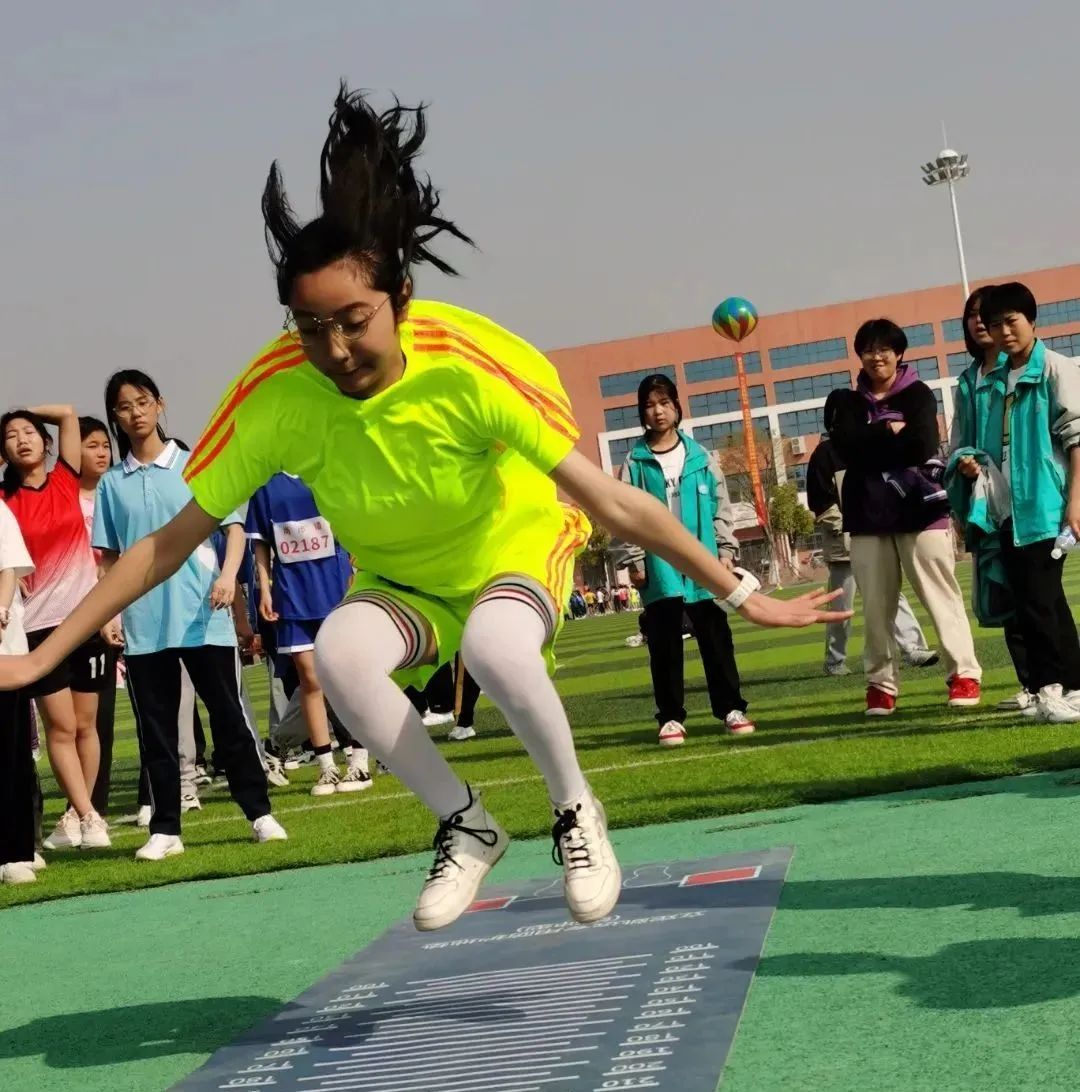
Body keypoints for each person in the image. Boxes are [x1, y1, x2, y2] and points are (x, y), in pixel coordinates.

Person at [0, 85, 846, 931]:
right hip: (405, 575)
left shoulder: (468, 365)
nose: (333, 349)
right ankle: (466, 823)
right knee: (338, 651)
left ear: (400, 299)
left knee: (496, 644)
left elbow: (614, 503)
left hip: (512, 545)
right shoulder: (275, 398)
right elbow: (163, 546)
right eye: (309, 326)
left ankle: (576, 811)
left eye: (354, 321)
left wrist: (742, 592)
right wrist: (41, 663)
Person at [93, 369, 286, 860]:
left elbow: (235, 528)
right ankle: (166, 829)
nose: (134, 413)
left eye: (141, 402)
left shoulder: (197, 463)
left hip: (203, 613)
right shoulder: (113, 484)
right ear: (115, 416)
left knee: (227, 717)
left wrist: (228, 577)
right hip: (143, 624)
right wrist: (108, 613)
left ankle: (259, 813)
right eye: (123, 407)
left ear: (160, 404)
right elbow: (109, 559)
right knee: (155, 729)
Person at [827, 319, 981, 716]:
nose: (876, 356)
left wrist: (875, 440)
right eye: (868, 349)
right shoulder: (845, 401)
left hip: (921, 510)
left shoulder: (918, 394)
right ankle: (881, 685)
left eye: (884, 349)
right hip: (866, 516)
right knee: (876, 607)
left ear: (899, 354)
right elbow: (846, 450)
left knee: (940, 597)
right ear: (859, 355)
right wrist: (888, 432)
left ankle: (963, 674)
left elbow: (921, 446)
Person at [951, 283, 1080, 723]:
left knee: (1038, 600)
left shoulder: (1056, 369)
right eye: (995, 323)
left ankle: (1049, 689)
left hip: (1046, 505)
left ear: (1031, 320)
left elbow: (1076, 441)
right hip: (1006, 508)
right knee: (1039, 599)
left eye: (1012, 321)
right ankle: (1071, 686)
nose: (1004, 331)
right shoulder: (994, 379)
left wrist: (1075, 505)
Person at [616, 375, 754, 744]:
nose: (657, 411)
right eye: (649, 404)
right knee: (663, 643)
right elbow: (623, 512)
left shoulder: (700, 457)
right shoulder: (635, 462)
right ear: (641, 412)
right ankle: (671, 718)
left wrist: (726, 551)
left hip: (703, 561)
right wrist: (635, 558)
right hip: (660, 562)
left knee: (716, 637)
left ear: (677, 406)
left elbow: (719, 508)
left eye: (664, 402)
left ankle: (731, 708)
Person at [1, 407, 111, 850]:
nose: (22, 439)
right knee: (61, 728)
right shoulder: (4, 501)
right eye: (11, 436)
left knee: (88, 727)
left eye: (29, 432)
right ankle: (87, 815)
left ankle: (78, 818)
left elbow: (66, 413)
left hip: (86, 620)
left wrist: (24, 409)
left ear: (46, 443)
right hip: (39, 630)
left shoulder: (67, 477)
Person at [247, 472, 371, 793]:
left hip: (335, 586)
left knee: (346, 675)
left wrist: (357, 569)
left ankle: (359, 761)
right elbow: (260, 542)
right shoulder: (265, 485)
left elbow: (352, 520)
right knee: (309, 678)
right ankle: (326, 766)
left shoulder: (324, 468)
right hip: (292, 593)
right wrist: (264, 588)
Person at [947, 285, 1033, 713]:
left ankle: (1054, 681)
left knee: (1034, 594)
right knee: (1002, 594)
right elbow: (959, 438)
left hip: (1021, 496)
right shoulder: (967, 379)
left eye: (991, 315)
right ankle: (1030, 683)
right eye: (974, 315)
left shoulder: (1016, 370)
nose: (981, 322)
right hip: (984, 502)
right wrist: (962, 464)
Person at [806, 422, 941, 677]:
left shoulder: (869, 444)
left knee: (892, 592)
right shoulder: (825, 452)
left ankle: (912, 647)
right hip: (843, 543)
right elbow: (820, 499)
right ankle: (835, 660)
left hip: (874, 533)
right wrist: (843, 526)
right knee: (840, 604)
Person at [77, 416, 125, 815]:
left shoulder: (114, 493)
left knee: (105, 717)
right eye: (91, 445)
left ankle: (100, 804)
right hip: (75, 618)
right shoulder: (63, 500)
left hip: (120, 612)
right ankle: (83, 804)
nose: (102, 452)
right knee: (76, 721)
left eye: (104, 445)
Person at [0, 500, 43, 883]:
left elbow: (9, 569)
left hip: (4, 652)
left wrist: (0, 608)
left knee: (11, 752)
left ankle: (16, 851)